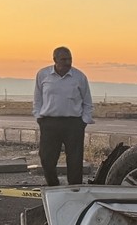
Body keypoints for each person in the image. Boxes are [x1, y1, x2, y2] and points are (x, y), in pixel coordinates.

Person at [33, 46, 93, 186]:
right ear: (55, 60)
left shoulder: (79, 77)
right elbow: (38, 99)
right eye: (63, 59)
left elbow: (87, 102)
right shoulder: (43, 75)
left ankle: (74, 188)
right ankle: (53, 185)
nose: (67, 62)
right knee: (46, 158)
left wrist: (83, 121)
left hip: (73, 123)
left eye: (70, 59)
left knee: (75, 159)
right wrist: (39, 117)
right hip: (49, 123)